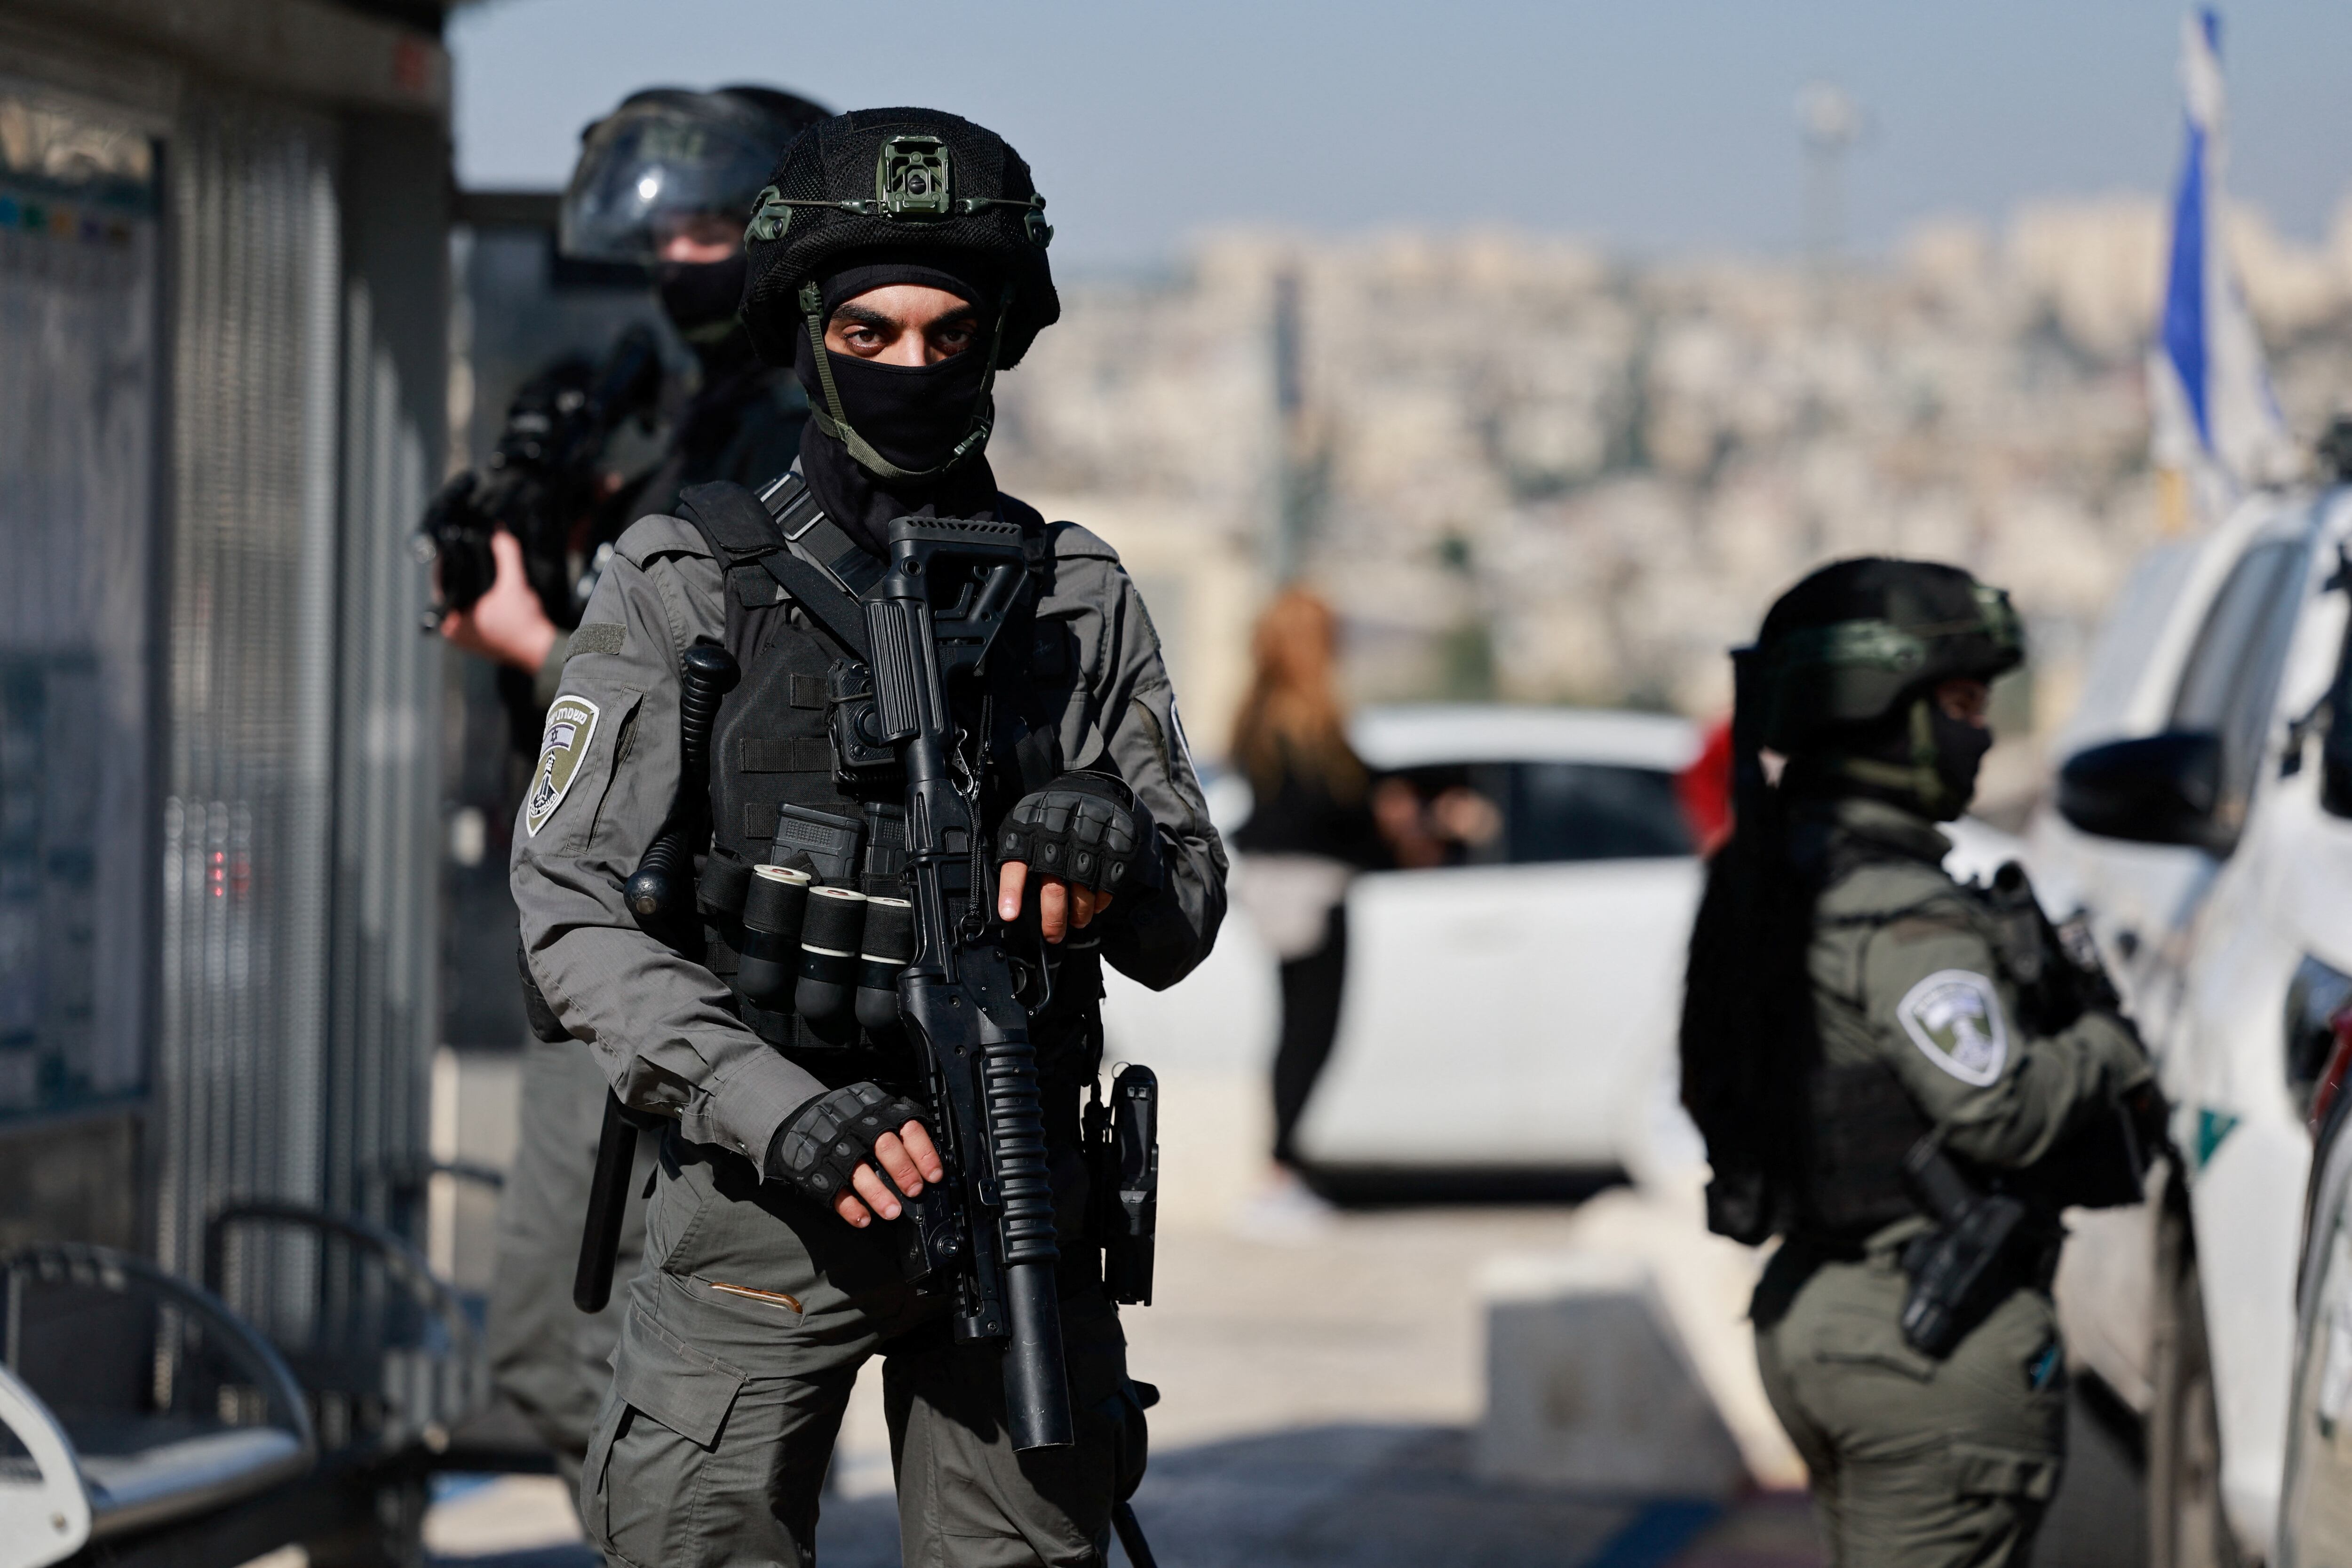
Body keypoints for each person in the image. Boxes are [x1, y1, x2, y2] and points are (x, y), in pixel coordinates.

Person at [511, 106, 1226, 1565]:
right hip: (764, 1204)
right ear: (809, 329)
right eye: (872, 332)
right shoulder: (687, 580)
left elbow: (1187, 910)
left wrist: (1117, 840)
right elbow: (571, 906)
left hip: (1017, 1189)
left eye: (948, 334)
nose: (910, 368)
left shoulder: (1073, 594)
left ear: (1001, 339)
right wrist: (776, 1103)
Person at [445, 82, 831, 1496]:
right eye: (666, 236)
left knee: (572, 1345)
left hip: (670, 944)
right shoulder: (703, 419)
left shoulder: (789, 441)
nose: (678, 261)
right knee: (600, 1350)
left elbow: (718, 715)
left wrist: (534, 643)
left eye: (717, 230)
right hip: (614, 932)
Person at [1679, 558, 2161, 1567]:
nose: (1979, 730)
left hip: (1816, 1311)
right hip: (1924, 1337)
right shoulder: (1902, 909)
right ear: (1879, 708)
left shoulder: (1763, 876)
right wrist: (2106, 1039)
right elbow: (1998, 1110)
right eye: (1958, 702)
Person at [1226, 589, 1390, 1230]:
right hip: (1310, 888)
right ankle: (1280, 1171)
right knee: (1309, 1029)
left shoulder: (1255, 710)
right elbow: (1322, 813)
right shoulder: (1307, 715)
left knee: (1299, 1026)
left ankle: (1282, 1166)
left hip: (1278, 885)